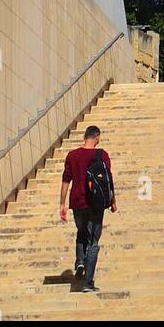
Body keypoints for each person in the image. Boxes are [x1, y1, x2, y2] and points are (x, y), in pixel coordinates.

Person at [59, 124, 116, 292]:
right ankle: (88, 283)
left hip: (77, 202)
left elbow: (65, 181)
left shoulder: (72, 155)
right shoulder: (102, 155)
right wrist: (113, 201)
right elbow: (108, 180)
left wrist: (62, 204)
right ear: (97, 137)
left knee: (81, 231)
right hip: (96, 204)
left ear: (84, 136)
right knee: (94, 242)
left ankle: (80, 261)